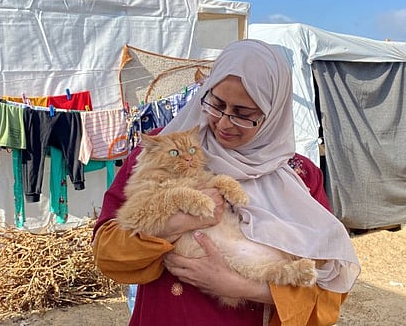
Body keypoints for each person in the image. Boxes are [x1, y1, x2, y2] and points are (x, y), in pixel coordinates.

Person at [93, 39, 360, 326]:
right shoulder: (162, 147)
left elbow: (328, 291)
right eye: (216, 104)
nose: (223, 123)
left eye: (243, 114)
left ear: (272, 114)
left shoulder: (300, 177)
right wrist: (174, 224)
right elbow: (108, 253)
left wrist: (240, 287)